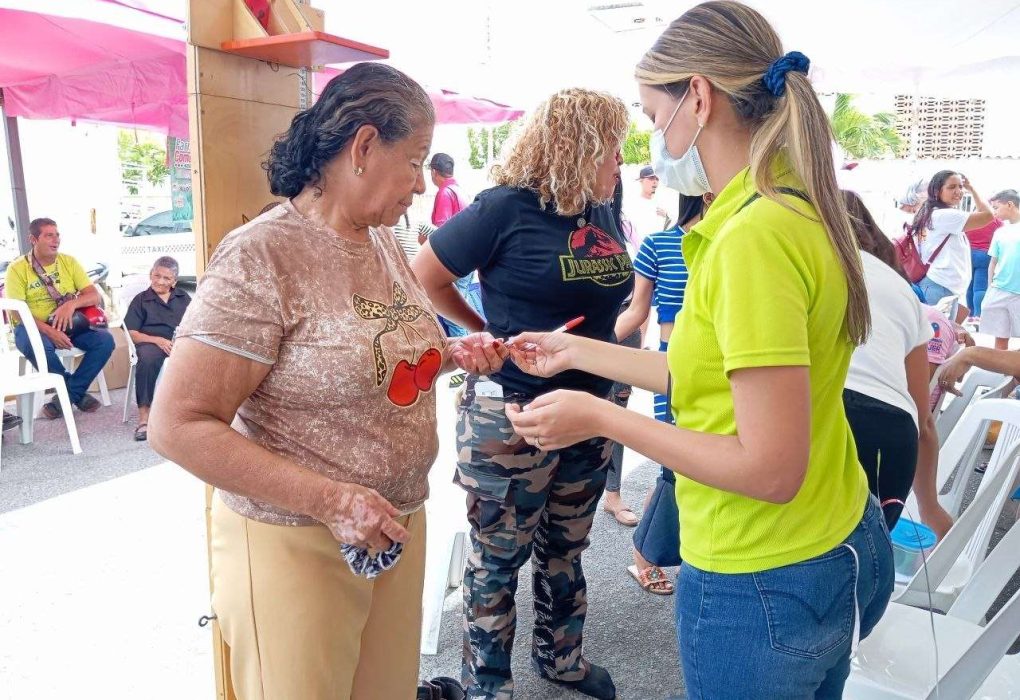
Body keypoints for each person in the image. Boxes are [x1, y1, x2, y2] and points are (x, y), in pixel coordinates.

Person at [504, 4, 894, 697]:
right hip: (833, 537)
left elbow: (769, 469)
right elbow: (709, 374)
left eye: (656, 117)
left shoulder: (752, 238)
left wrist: (599, 417)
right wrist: (576, 355)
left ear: (700, 98)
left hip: (762, 569)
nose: (656, 138)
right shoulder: (791, 208)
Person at [148, 63, 501, 700]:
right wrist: (333, 501)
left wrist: (451, 352)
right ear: (363, 147)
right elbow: (177, 425)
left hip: (394, 522)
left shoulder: (382, 240)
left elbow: (372, 357)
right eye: (414, 161)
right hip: (297, 542)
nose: (422, 184)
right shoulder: (262, 255)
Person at [412, 88, 631, 700]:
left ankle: (561, 660)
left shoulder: (601, 206)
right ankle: (488, 686)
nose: (621, 159)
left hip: (592, 408)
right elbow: (426, 276)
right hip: (512, 413)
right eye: (612, 146)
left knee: (567, 546)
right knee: (498, 558)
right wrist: (482, 331)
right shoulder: (505, 208)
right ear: (578, 145)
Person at [841, 191, 952, 538]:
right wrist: (930, 506)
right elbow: (924, 420)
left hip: (830, 413)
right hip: (894, 434)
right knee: (865, 554)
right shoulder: (901, 288)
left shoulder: (802, 263)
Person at [612, 192, 707, 594]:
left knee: (701, 465)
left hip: (720, 366)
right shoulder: (659, 244)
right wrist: (588, 352)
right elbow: (637, 312)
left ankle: (686, 551)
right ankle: (645, 555)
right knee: (673, 465)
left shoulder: (732, 239)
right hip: (670, 363)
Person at [4, 217, 113, 418]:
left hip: (69, 324)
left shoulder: (68, 262)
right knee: (39, 346)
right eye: (49, 235)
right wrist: (49, 331)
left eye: (57, 235)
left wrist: (71, 305)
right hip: (32, 327)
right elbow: (17, 312)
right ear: (33, 239)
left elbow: (93, 296)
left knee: (105, 341)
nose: (56, 240)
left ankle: (66, 396)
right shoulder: (17, 268)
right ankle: (76, 394)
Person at [123, 256, 191, 441]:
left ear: (174, 281)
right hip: (150, 343)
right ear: (150, 275)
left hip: (179, 342)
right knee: (147, 358)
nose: (160, 281)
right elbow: (132, 333)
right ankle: (144, 418)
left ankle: (192, 413)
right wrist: (158, 341)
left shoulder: (183, 298)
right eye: (157, 275)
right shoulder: (141, 300)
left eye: (166, 278)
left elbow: (195, 323)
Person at [913, 170, 995, 319]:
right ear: (937, 191)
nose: (958, 191)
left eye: (960, 186)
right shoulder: (944, 215)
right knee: (937, 334)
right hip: (939, 287)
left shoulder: (934, 213)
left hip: (941, 286)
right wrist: (972, 189)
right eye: (951, 187)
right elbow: (988, 215)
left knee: (941, 333)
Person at [426, 152, 483, 337]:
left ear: (434, 172)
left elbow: (441, 233)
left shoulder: (445, 193)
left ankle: (464, 351)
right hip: (468, 261)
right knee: (462, 310)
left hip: (453, 262)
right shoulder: (459, 191)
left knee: (453, 316)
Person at [976, 190, 1020, 348]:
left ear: (1010, 204)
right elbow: (993, 262)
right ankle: (1001, 364)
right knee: (1000, 337)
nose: (994, 212)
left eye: (996, 207)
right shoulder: (1000, 232)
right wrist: (990, 288)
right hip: (999, 289)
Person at [965, 217, 1003, 323]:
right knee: (980, 287)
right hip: (985, 255)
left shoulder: (970, 218)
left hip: (968, 254)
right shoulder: (996, 221)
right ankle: (978, 314)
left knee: (969, 286)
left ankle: (970, 314)